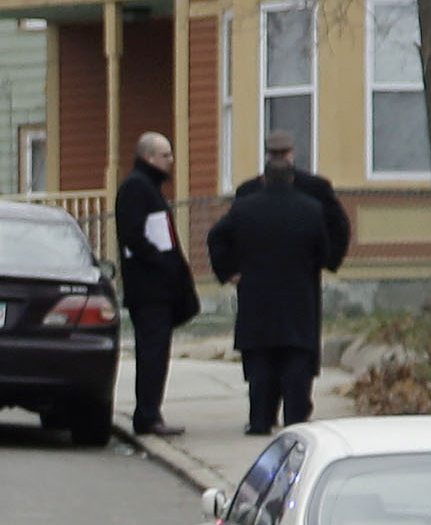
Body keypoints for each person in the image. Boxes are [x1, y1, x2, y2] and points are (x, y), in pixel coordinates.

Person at [206, 130, 345, 431]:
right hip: (299, 291)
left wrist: (230, 270)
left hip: (257, 292)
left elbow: (217, 236)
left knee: (260, 360)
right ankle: (296, 419)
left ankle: (259, 419)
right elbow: (331, 238)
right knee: (296, 357)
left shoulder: (245, 202)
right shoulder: (312, 205)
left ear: (266, 174)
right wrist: (324, 263)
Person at [112, 131, 201, 438]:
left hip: (158, 289)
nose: (171, 161)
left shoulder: (149, 188)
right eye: (166, 155)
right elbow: (134, 237)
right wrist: (163, 264)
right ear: (149, 157)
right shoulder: (137, 188)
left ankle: (151, 411)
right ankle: (147, 415)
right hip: (148, 290)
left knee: (157, 353)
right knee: (151, 354)